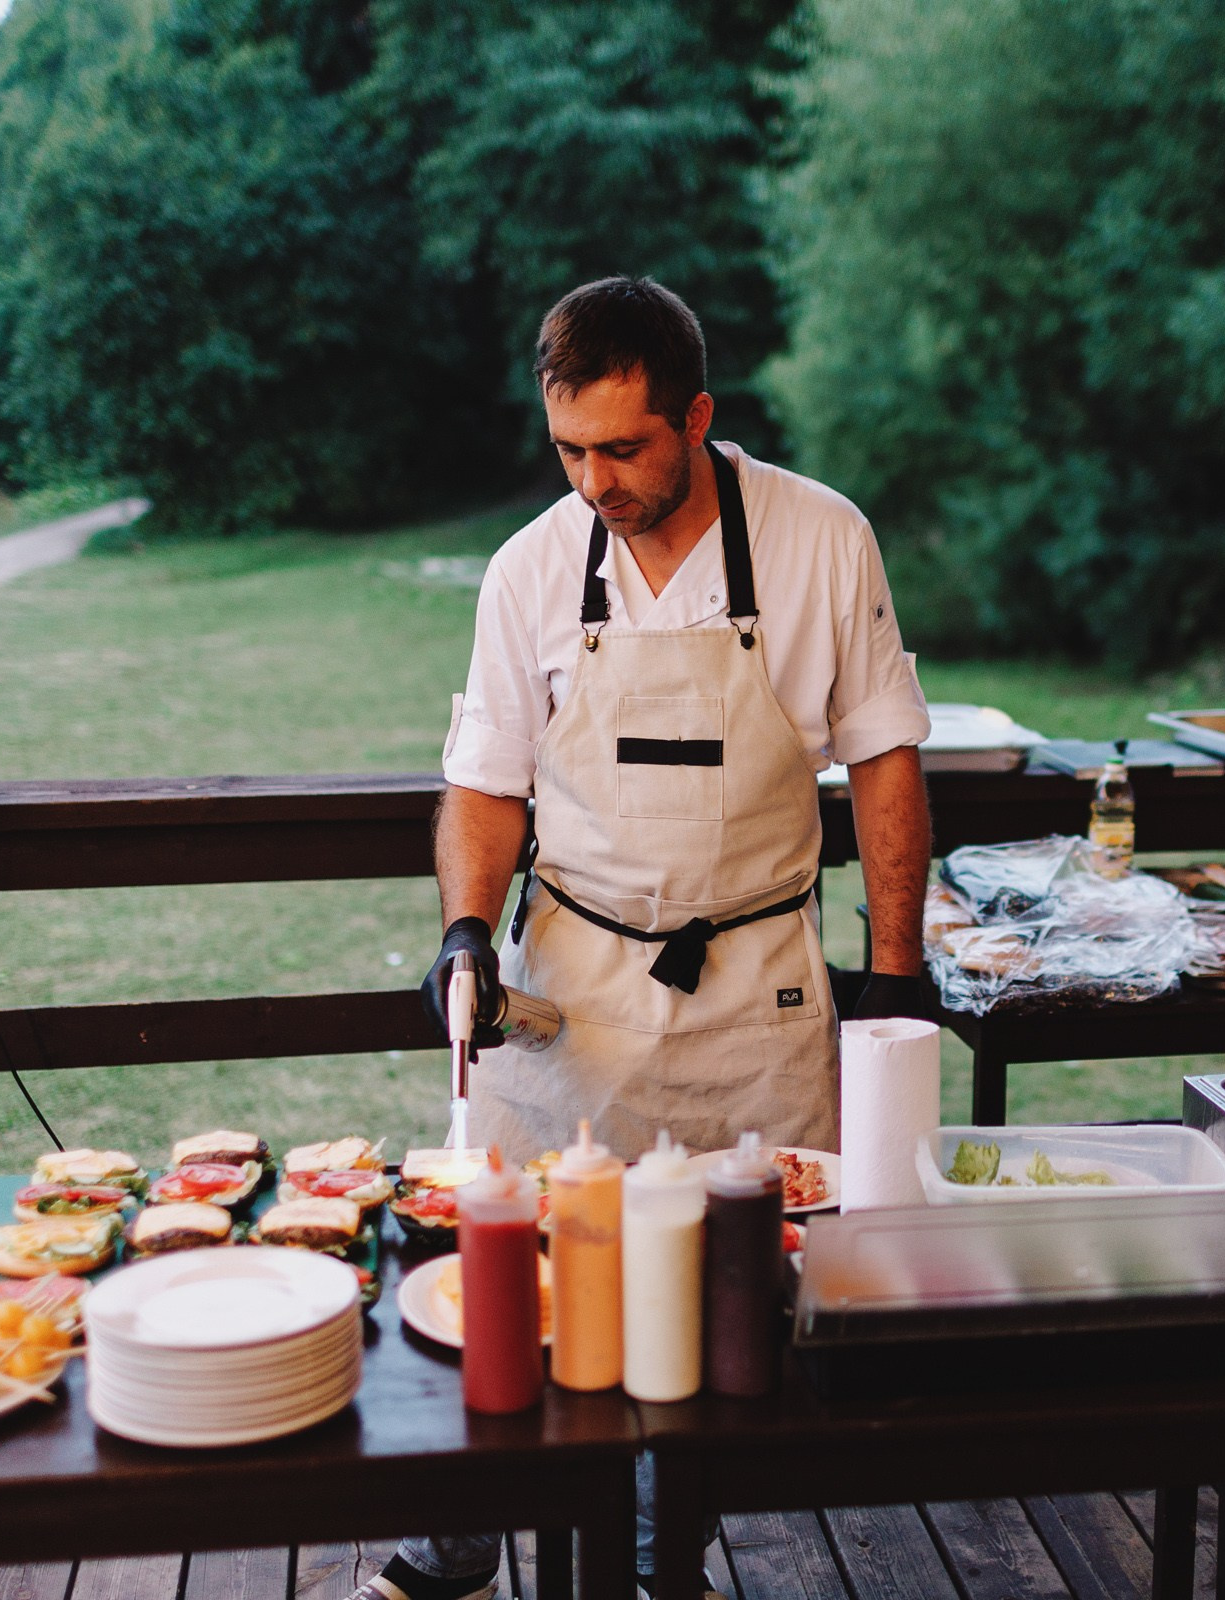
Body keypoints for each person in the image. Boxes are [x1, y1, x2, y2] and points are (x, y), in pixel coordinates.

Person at [370, 278, 935, 1600]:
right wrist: (465, 935)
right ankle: (452, 1556)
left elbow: (887, 767)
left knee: (714, 1330)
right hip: (574, 998)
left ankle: (656, 1568)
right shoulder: (530, 568)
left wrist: (898, 972)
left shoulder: (820, 539)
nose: (595, 480)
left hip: (758, 999)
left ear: (698, 415)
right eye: (569, 450)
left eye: (624, 448)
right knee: (500, 1294)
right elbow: (486, 782)